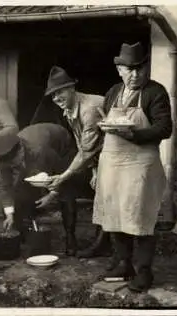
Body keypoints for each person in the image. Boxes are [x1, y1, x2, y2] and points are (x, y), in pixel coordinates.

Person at [93, 42, 172, 292]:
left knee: (140, 215)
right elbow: (106, 122)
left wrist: (133, 134)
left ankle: (144, 271)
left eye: (140, 69)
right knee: (115, 213)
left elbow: (164, 128)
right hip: (113, 161)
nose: (136, 74)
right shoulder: (113, 91)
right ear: (120, 70)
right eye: (130, 69)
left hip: (140, 162)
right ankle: (124, 263)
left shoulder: (155, 92)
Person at [43, 66, 108, 258]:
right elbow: (85, 147)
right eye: (53, 95)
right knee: (68, 185)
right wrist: (94, 171)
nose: (56, 98)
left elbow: (88, 149)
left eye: (60, 92)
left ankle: (102, 243)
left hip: (120, 156)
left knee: (103, 192)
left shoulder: (89, 108)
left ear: (72, 88)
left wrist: (63, 176)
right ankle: (71, 239)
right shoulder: (70, 110)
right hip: (100, 156)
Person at [0, 123, 79, 255]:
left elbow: (61, 174)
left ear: (21, 150)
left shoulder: (41, 151)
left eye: (15, 163)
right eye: (10, 165)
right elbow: (6, 186)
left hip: (61, 142)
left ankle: (70, 238)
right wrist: (9, 214)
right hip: (35, 147)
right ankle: (27, 231)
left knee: (67, 191)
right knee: (22, 186)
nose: (12, 167)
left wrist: (52, 195)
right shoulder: (4, 158)